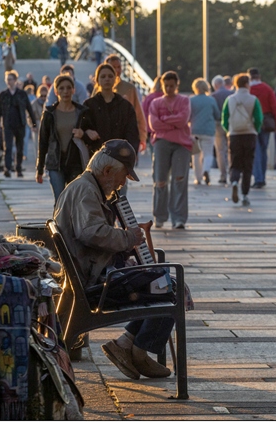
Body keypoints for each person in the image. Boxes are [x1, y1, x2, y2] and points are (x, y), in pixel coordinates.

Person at [53, 140, 174, 380]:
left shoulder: (86, 187)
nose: (122, 183)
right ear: (107, 171)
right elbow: (92, 232)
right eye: (122, 176)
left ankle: (128, 343)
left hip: (93, 271)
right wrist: (128, 237)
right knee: (167, 286)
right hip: (97, 280)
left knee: (159, 278)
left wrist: (125, 252)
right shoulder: (85, 190)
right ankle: (138, 351)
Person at [148, 71, 193, 228]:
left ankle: (179, 218)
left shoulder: (184, 101)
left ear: (177, 85)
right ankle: (159, 216)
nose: (169, 88)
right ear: (162, 85)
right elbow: (154, 124)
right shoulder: (156, 103)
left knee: (179, 180)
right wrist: (172, 122)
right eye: (166, 86)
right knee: (160, 180)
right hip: (161, 143)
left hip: (182, 145)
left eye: (172, 86)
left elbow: (183, 120)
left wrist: (164, 120)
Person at [36, 75, 90, 201]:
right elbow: (43, 141)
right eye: (61, 88)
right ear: (56, 91)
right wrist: (39, 168)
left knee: (74, 200)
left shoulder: (82, 112)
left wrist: (84, 134)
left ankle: (73, 221)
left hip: (76, 163)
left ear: (73, 90)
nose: (65, 91)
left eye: (68, 88)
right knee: (60, 199)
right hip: (55, 163)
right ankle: (59, 221)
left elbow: (89, 135)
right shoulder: (49, 113)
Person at [222, 73, 263, 207]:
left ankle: (234, 181)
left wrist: (229, 130)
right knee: (247, 165)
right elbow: (259, 118)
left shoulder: (230, 99)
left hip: (234, 135)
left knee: (234, 162)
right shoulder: (253, 99)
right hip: (249, 134)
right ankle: (245, 194)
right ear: (247, 84)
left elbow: (224, 118)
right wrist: (255, 129)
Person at [81, 63, 139, 155]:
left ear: (115, 79)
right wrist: (87, 132)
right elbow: (82, 128)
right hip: (96, 156)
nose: (107, 79)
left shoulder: (125, 106)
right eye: (103, 77)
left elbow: (132, 133)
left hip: (119, 156)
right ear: (97, 80)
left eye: (110, 76)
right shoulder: (89, 105)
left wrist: (130, 154)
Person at [0, 70, 37, 178]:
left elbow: (29, 109)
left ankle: (18, 168)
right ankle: (7, 168)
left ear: (15, 80)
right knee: (7, 147)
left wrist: (34, 123)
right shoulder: (3, 95)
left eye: (11, 79)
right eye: (7, 79)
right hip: (7, 124)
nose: (9, 81)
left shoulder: (22, 94)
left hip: (20, 124)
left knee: (19, 147)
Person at [105, 54, 148, 153]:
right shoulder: (99, 89)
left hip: (127, 136)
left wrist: (142, 137)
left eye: (119, 67)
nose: (116, 70)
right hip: (106, 136)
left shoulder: (129, 88)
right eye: (113, 67)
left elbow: (138, 113)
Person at [247, 68, 276, 189]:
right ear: (259, 76)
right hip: (266, 122)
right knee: (263, 149)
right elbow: (275, 107)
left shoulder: (248, 90)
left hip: (251, 122)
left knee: (255, 151)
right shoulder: (267, 88)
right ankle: (263, 176)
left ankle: (258, 178)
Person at [189, 78, 221, 186]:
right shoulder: (211, 100)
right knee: (208, 153)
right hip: (209, 130)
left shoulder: (191, 100)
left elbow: (188, 116)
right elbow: (217, 115)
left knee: (196, 155)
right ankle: (206, 170)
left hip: (195, 130)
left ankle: (198, 178)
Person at [210, 75, 233, 185]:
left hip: (218, 124)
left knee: (220, 151)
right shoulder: (231, 94)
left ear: (215, 85)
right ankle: (233, 173)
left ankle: (223, 175)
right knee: (232, 150)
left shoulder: (213, 96)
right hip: (231, 124)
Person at [142, 78, 164, 154]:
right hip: (165, 129)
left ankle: (155, 164)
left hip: (150, 128)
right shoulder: (166, 97)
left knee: (153, 152)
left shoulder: (149, 97)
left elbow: (143, 112)